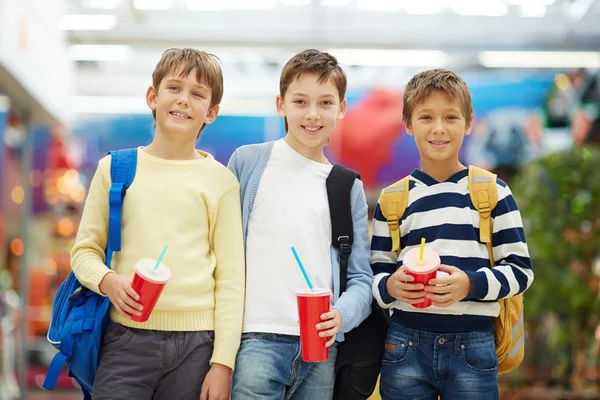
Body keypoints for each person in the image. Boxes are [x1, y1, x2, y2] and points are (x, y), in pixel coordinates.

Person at [70, 48, 245, 400]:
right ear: (153, 96)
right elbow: (84, 251)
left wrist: (223, 363)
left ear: (211, 112)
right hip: (124, 340)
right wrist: (108, 281)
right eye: (174, 88)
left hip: (198, 347)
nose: (183, 100)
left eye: (197, 94)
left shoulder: (221, 181)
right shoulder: (115, 170)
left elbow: (231, 279)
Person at [371, 69, 534, 400]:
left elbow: (520, 271)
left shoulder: (494, 193)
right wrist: (389, 285)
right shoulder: (392, 199)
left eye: (451, 117)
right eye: (426, 117)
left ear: (469, 122)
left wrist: (469, 284)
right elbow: (375, 273)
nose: (439, 128)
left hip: (473, 346)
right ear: (408, 123)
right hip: (404, 344)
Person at [227, 49, 373, 400]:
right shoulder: (248, 162)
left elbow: (361, 278)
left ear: (341, 108)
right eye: (300, 101)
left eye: (325, 103)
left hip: (320, 348)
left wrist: (342, 315)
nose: (312, 114)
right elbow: (220, 254)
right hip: (254, 340)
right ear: (281, 104)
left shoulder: (346, 185)